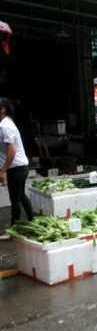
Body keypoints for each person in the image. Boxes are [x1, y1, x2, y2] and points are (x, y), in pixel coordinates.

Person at [0, 98, 33, 234]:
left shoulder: (5, 125)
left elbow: (11, 150)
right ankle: (31, 221)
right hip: (20, 166)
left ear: (2, 109)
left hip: (16, 167)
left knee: (15, 199)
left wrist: (3, 170)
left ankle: (14, 230)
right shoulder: (6, 123)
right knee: (20, 196)